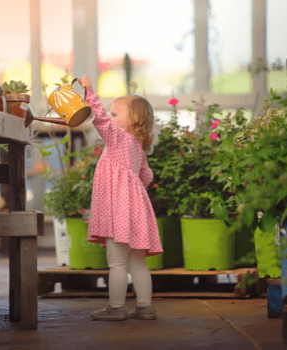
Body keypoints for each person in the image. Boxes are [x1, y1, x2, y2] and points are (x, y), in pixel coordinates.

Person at [79, 75, 162, 321]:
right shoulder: (138, 147)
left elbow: (100, 117)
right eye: (112, 115)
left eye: (116, 114)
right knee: (137, 262)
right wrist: (131, 187)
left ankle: (116, 308)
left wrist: (89, 91)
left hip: (118, 213)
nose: (111, 118)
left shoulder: (117, 139)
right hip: (137, 213)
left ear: (134, 120)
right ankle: (145, 307)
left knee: (116, 263)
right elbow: (146, 177)